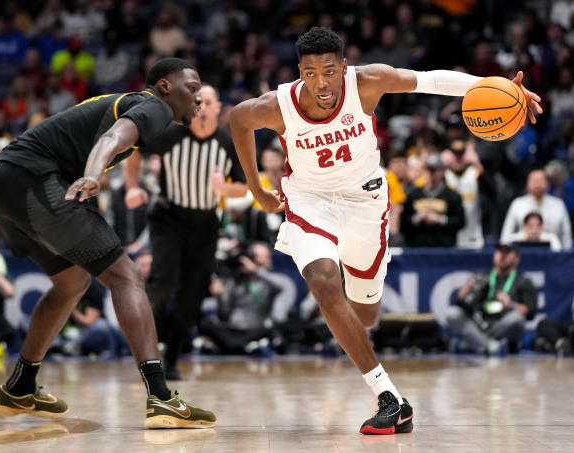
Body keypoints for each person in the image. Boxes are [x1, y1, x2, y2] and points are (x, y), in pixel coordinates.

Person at [229, 26, 541, 435]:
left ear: (344, 66)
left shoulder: (368, 82)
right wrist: (257, 188)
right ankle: (389, 397)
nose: (321, 83)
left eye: (328, 70)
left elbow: (430, 80)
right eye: (309, 73)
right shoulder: (280, 106)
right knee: (323, 281)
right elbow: (237, 119)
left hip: (365, 203)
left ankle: (349, 323)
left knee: (366, 315)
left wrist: (496, 88)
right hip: (309, 201)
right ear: (299, 73)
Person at [0, 58, 215, 429]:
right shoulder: (153, 106)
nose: (199, 99)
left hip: (0, 180)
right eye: (192, 89)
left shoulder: (114, 102)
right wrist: (94, 175)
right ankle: (160, 396)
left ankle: (20, 385)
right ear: (163, 87)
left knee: (72, 283)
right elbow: (112, 139)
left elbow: (21, 147)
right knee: (126, 277)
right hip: (36, 182)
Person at [124, 84, 247, 380]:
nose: (202, 107)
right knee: (163, 283)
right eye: (198, 102)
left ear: (219, 108)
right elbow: (133, 148)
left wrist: (224, 189)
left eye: (208, 102)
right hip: (169, 218)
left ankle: (173, 358)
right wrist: (131, 187)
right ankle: (147, 355)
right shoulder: (170, 135)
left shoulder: (228, 143)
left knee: (192, 297)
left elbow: (242, 186)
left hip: (205, 224)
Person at [446, 243, 538, 354]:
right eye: (499, 252)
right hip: (480, 323)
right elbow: (460, 303)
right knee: (452, 313)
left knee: (517, 319)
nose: (502, 256)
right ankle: (492, 346)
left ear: (517, 259)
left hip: (502, 326)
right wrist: (467, 288)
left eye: (507, 253)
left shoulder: (523, 281)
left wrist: (511, 304)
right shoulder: (483, 277)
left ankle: (471, 344)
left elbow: (531, 313)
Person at [401, 153, 466, 247]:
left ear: (443, 171)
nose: (432, 173)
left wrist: (440, 219)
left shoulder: (452, 195)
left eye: (435, 170)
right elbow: (402, 223)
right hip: (417, 247)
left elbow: (461, 221)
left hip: (444, 247)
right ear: (424, 171)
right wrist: (417, 218)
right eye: (429, 169)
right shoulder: (413, 195)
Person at [501, 169, 572, 250]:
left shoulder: (558, 204)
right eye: (534, 180)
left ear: (547, 183)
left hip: (552, 254)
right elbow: (506, 234)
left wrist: (567, 257)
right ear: (527, 184)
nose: (537, 183)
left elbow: (566, 236)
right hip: (522, 253)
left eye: (541, 180)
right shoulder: (517, 204)